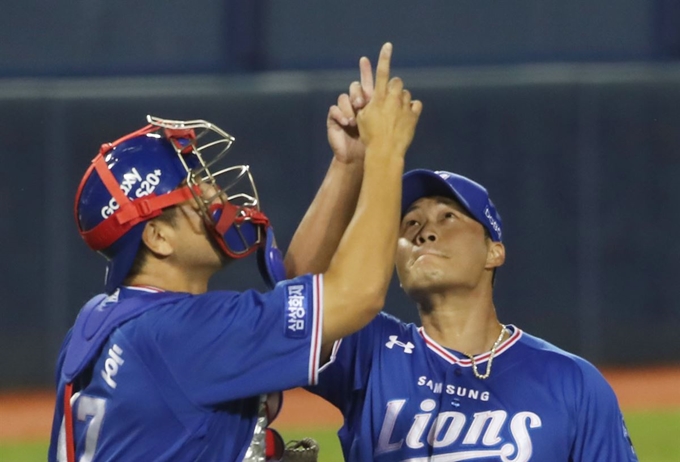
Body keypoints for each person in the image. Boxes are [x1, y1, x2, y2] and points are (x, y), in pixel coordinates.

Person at [48, 42, 423, 462]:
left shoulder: (107, 320)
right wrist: (386, 152)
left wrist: (350, 164)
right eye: (193, 192)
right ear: (157, 238)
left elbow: (300, 299)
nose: (215, 193)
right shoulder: (179, 335)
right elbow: (356, 295)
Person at [285, 68, 638, 461]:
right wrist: (348, 164)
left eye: (448, 218)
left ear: (494, 252)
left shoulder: (572, 382)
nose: (424, 233)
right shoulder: (372, 353)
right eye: (411, 224)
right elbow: (299, 301)